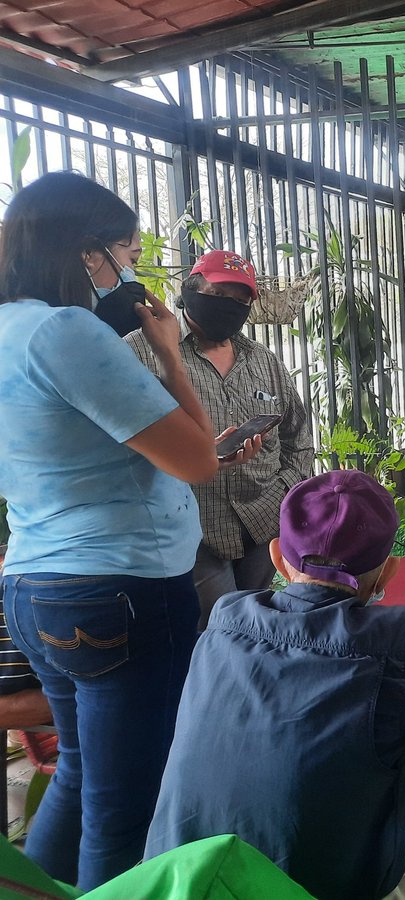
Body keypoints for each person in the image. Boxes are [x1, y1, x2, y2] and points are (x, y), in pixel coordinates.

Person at [144, 470, 405, 900]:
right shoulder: (397, 642)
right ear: (388, 573)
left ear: (278, 558)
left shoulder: (225, 620)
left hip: (177, 885)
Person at [0, 171, 218, 888]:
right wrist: (171, 354)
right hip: (119, 587)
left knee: (79, 774)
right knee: (125, 810)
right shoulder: (64, 331)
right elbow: (197, 459)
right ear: (87, 251)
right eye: (126, 254)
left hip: (34, 583)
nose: (130, 272)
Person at [127, 250, 314, 628]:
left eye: (240, 300)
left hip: (262, 524)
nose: (229, 306)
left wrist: (283, 492)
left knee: (252, 625)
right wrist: (196, 455)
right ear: (190, 290)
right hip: (192, 529)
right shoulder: (141, 351)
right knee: (221, 629)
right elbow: (120, 440)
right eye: (218, 294)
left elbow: (298, 437)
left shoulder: (263, 361)